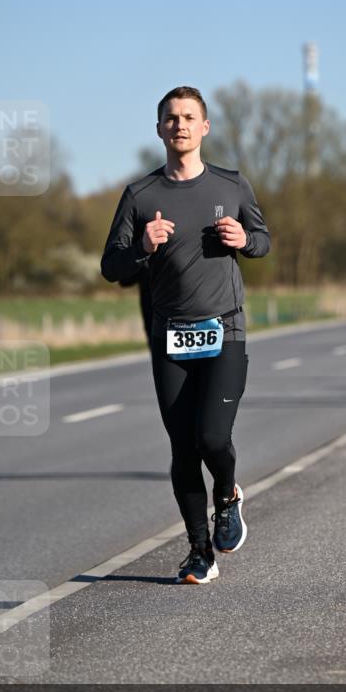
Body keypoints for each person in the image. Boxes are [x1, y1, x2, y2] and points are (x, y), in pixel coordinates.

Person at [100, 86, 271, 583]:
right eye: (171, 118)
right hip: (170, 336)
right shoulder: (140, 195)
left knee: (212, 436)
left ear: (205, 127)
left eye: (189, 117)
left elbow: (263, 241)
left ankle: (228, 495)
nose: (180, 125)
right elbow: (110, 266)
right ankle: (200, 552)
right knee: (182, 447)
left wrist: (246, 239)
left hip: (225, 328)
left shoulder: (232, 185)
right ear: (159, 129)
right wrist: (142, 247)